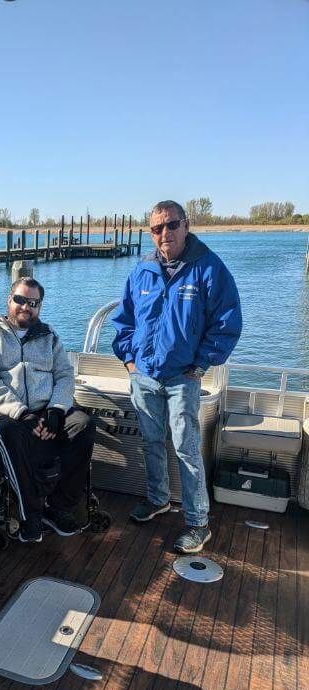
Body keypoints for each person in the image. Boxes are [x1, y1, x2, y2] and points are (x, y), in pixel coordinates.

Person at [112, 200, 242, 554]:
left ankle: (198, 523)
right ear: (150, 233)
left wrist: (201, 365)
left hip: (183, 378)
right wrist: (129, 362)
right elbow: (124, 321)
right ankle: (157, 499)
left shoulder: (209, 269)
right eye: (156, 229)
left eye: (171, 225)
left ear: (186, 225)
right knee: (151, 443)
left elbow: (227, 323)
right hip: (144, 376)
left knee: (186, 448)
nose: (164, 234)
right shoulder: (142, 271)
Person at [0, 276, 95, 543]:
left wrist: (56, 411)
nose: (26, 306)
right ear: (9, 300)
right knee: (13, 434)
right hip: (3, 412)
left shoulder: (49, 336)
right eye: (20, 300)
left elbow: (64, 375)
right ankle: (31, 515)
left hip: (45, 410)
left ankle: (58, 507)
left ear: (39, 307)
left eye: (34, 303)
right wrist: (22, 413)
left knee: (83, 424)